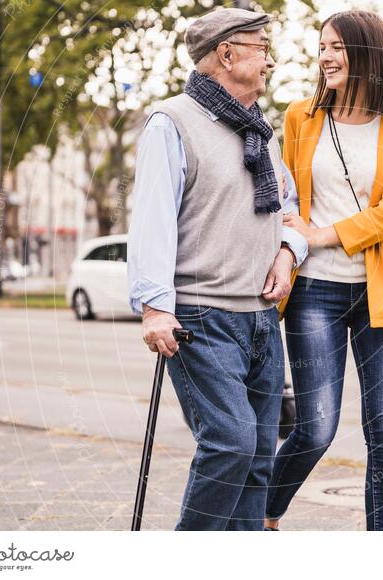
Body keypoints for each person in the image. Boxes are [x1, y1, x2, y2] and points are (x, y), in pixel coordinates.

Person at [127, 7, 308, 531]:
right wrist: (154, 309)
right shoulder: (173, 121)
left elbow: (290, 211)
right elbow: (153, 220)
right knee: (230, 442)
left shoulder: (260, 133)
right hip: (201, 318)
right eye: (261, 48)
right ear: (227, 55)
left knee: (257, 459)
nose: (271, 61)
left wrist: (287, 251)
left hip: (260, 320)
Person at [265, 10, 383, 531]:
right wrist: (293, 247)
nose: (326, 56)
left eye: (337, 47)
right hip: (315, 291)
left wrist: (320, 234)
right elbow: (287, 202)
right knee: (314, 427)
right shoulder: (300, 117)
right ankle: (262, 515)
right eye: (322, 47)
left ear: (368, 54)